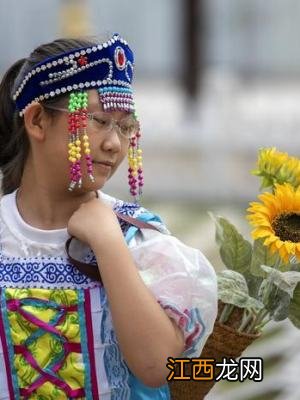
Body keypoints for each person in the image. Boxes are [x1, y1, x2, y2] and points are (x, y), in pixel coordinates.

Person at [0, 33, 217, 399]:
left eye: (126, 127)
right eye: (100, 120)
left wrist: (108, 242)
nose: (114, 144)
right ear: (37, 121)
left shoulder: (139, 240)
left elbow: (158, 367)